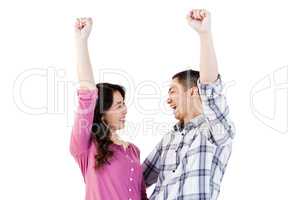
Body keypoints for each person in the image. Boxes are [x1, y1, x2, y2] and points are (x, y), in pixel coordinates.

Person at [142, 9, 236, 200]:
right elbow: (136, 179)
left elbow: (210, 88)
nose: (168, 99)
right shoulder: (168, 139)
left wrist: (204, 34)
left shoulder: (214, 132)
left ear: (193, 92)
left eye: (173, 91)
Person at [69, 17, 147, 200]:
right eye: (119, 105)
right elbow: (87, 92)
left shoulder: (133, 151)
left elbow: (142, 195)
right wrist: (81, 41)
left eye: (124, 104)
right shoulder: (86, 147)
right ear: (102, 113)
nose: (125, 110)